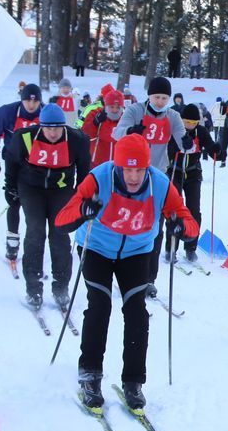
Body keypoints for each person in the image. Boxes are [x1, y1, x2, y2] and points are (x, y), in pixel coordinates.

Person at [55, 134, 199, 411]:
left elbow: (187, 218)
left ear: (147, 167)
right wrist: (84, 211)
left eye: (139, 169)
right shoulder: (99, 178)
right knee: (99, 305)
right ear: (117, 166)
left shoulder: (159, 183)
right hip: (96, 246)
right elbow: (62, 220)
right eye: (127, 169)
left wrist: (181, 227)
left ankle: (133, 381)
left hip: (136, 250)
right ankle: (90, 373)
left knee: (136, 311)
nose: (133, 176)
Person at [4, 103, 91, 308]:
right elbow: (12, 161)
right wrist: (10, 189)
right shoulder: (25, 137)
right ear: (41, 125)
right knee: (35, 231)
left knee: (60, 233)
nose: (53, 132)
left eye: (57, 128)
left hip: (61, 190)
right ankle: (33, 287)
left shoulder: (76, 140)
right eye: (48, 128)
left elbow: (84, 169)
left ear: (64, 126)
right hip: (31, 188)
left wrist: (82, 194)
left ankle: (61, 286)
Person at [113, 76, 187, 297]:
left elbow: (183, 139)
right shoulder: (136, 110)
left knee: (155, 227)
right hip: (129, 175)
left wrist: (189, 143)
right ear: (149, 95)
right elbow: (117, 132)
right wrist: (130, 131)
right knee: (127, 222)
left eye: (165, 97)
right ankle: (123, 270)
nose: (161, 101)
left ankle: (148, 278)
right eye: (157, 97)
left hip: (156, 174)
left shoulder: (172, 115)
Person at [0, 83, 44, 264]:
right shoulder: (7, 113)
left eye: (35, 102)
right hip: (13, 164)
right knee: (13, 201)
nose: (31, 105)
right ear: (22, 99)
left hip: (38, 166)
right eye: (28, 100)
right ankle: (12, 244)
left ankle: (33, 248)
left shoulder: (45, 114)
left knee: (34, 207)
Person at [164, 103, 218, 262]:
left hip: (193, 172)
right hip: (175, 171)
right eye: (187, 122)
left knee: (194, 210)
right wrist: (178, 145)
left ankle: (190, 247)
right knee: (174, 210)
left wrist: (216, 150)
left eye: (193, 123)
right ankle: (171, 248)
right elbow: (168, 149)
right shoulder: (176, 129)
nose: (190, 125)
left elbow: (211, 147)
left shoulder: (200, 131)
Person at [81, 89, 124, 167]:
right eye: (112, 107)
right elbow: (85, 135)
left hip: (120, 165)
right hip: (96, 165)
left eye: (118, 107)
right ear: (106, 106)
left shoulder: (125, 118)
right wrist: (95, 122)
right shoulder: (95, 114)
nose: (115, 110)